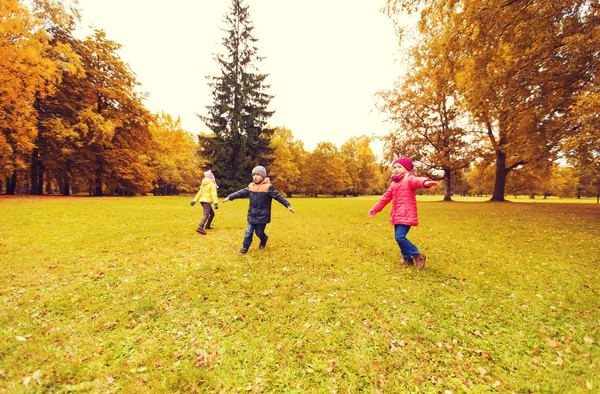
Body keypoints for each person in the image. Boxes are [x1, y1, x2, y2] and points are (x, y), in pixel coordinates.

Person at [368, 157, 437, 270]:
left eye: (399, 167)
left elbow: (417, 181)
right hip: (397, 214)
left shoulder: (409, 179)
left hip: (406, 214)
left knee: (400, 237)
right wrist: (375, 209)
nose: (396, 169)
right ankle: (407, 259)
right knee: (398, 238)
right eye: (394, 167)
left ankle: (418, 255)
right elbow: (385, 197)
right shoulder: (395, 184)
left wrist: (425, 182)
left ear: (407, 169)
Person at [222, 166, 295, 254]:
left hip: (263, 215)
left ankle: (264, 239)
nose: (255, 177)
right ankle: (245, 247)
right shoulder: (250, 186)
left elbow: (278, 196)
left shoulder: (268, 187)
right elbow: (240, 192)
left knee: (259, 233)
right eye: (254, 175)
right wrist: (230, 197)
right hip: (252, 214)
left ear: (263, 176)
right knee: (248, 232)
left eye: (258, 175)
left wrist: (288, 205)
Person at [190, 170, 219, 234]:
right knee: (206, 215)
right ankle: (200, 227)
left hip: (203, 202)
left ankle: (207, 226)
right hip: (207, 202)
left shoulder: (203, 185)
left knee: (212, 214)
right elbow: (213, 194)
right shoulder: (212, 184)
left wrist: (194, 201)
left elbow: (199, 193)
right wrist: (216, 203)